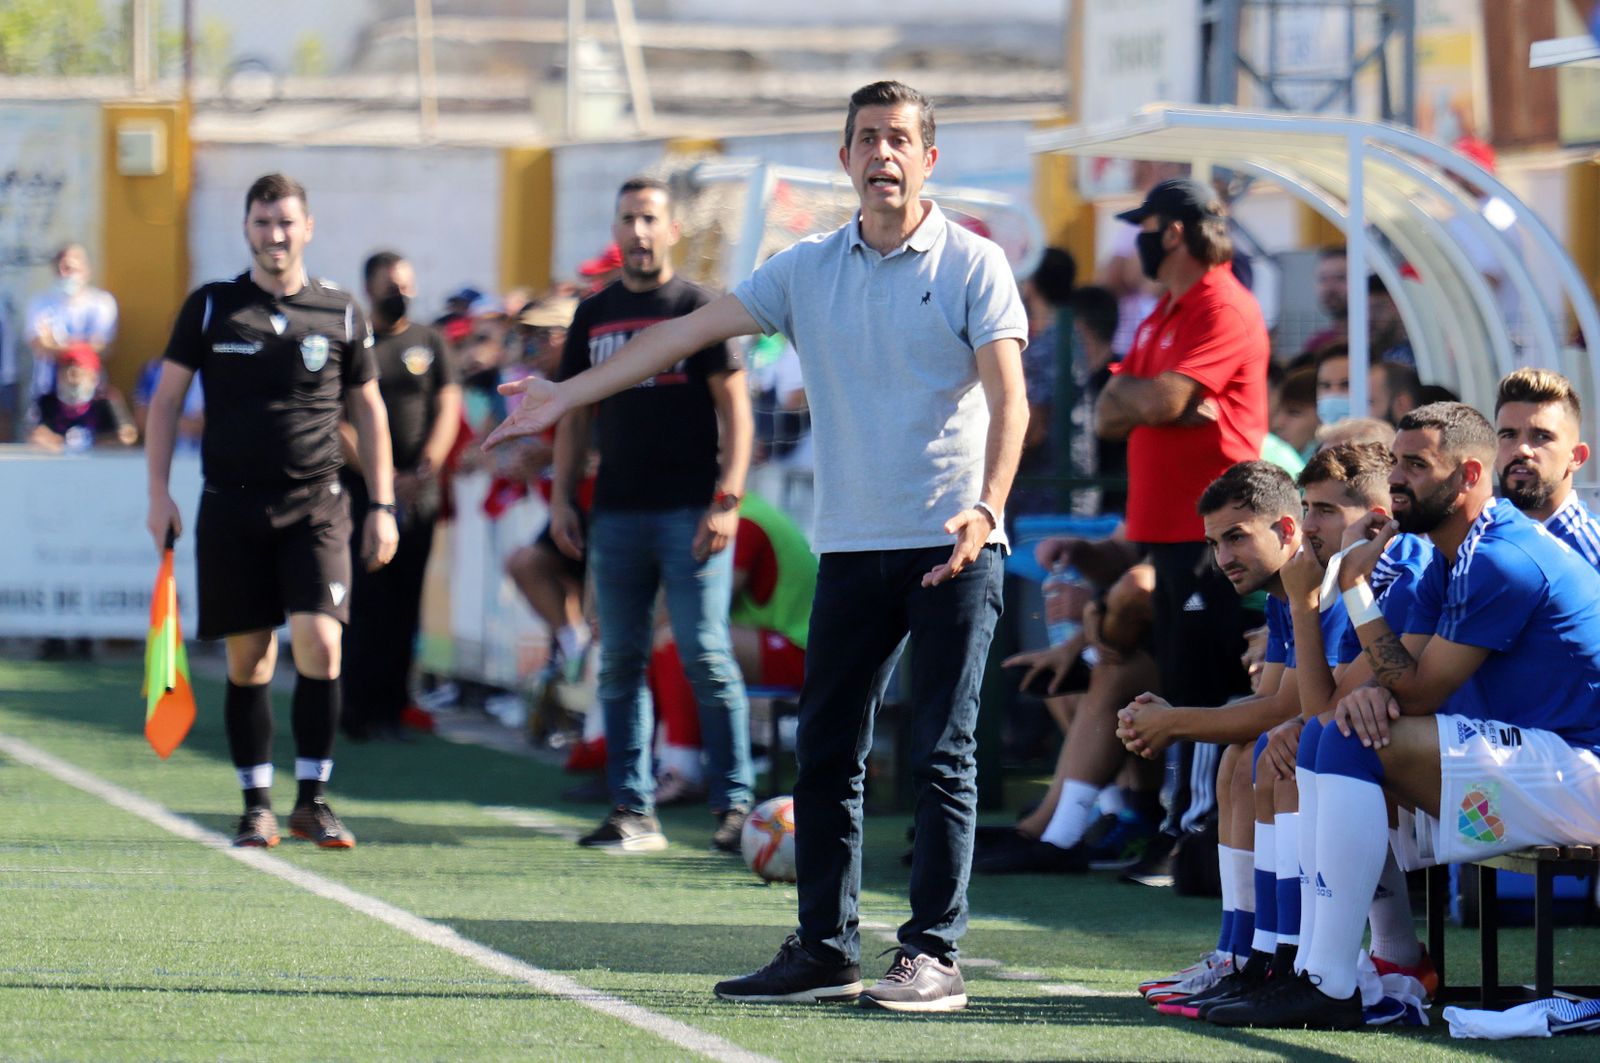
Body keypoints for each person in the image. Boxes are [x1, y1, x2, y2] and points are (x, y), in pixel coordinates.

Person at [486, 80, 1028, 1012]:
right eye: (867, 138)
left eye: (900, 138)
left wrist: (988, 506)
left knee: (942, 750)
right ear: (844, 159)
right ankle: (825, 948)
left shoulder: (976, 263)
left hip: (954, 544)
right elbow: (682, 334)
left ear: (928, 159)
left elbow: (1012, 400)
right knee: (825, 752)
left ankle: (933, 953)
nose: (883, 153)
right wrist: (567, 394)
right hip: (852, 545)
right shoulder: (805, 268)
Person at [1213, 402, 1600, 1029]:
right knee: (1328, 736)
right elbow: (1370, 692)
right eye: (1396, 462)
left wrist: (1354, 591)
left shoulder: (1501, 555)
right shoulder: (1452, 556)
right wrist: (1364, 677)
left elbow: (1414, 693)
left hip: (1583, 772)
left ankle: (1332, 982)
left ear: (1468, 475)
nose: (1396, 479)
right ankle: (1310, 970)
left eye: (1417, 465)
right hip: (1540, 760)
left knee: (1345, 741)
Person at [144, 172, 399, 851]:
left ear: (307, 227)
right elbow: (165, 401)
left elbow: (369, 410)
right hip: (232, 507)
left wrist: (383, 504)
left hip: (318, 505)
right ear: (246, 229)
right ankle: (256, 804)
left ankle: (312, 800)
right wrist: (157, 492)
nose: (275, 234)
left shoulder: (341, 311)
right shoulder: (211, 307)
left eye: (286, 222)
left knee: (321, 640)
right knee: (251, 659)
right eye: (263, 222)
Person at [545, 175, 755, 856]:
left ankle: (736, 805)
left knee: (706, 655)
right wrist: (562, 497)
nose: (638, 231)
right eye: (628, 219)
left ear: (672, 230)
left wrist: (728, 499)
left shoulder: (700, 307)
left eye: (649, 219)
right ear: (615, 230)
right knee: (619, 662)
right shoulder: (593, 314)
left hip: (691, 512)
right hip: (616, 515)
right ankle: (632, 807)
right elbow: (574, 414)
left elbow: (737, 412)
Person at [1093, 176, 1270, 884]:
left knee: (1200, 686)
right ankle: (1179, 831)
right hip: (1168, 533)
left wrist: (1155, 399)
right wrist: (1150, 400)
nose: (1137, 238)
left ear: (1173, 231)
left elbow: (1159, 398)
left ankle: (1197, 839)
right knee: (1179, 675)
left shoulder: (1222, 304)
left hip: (1213, 535)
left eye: (1145, 226)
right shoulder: (1163, 311)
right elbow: (1111, 407)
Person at [339, 251, 460, 741]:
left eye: (407, 285)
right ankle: (356, 709)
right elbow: (338, 421)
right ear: (369, 288)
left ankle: (394, 708)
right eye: (392, 285)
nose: (401, 293)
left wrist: (429, 462)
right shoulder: (353, 341)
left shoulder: (430, 341)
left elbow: (448, 404)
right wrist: (381, 475)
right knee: (366, 602)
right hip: (363, 495)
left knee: (406, 604)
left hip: (418, 495)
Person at [1493, 368, 1600, 567]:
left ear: (1577, 457)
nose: (1522, 450)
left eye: (1541, 436)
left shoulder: (1592, 553)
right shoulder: (1476, 542)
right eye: (1508, 435)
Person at [1010, 247, 1075, 517]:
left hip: (1045, 501)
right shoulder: (1070, 336)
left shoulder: (1048, 344)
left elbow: (1033, 427)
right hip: (1065, 494)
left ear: (1032, 284)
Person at [25, 243, 118, 401]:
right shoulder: (40, 304)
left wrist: (54, 345)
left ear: (86, 269)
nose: (64, 274)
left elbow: (103, 347)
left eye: (70, 268)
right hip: (47, 391)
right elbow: (39, 346)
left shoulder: (102, 303)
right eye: (60, 268)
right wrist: (83, 347)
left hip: (92, 391)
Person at [27, 344, 136, 451]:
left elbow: (127, 436)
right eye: (65, 370)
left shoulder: (106, 402)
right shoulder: (46, 402)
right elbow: (33, 434)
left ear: (94, 376)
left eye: (78, 373)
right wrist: (59, 444)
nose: (71, 378)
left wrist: (91, 443)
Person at [1296, 247, 1347, 358]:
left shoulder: (1375, 339)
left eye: (1341, 278)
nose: (1330, 287)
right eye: (1323, 279)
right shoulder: (1318, 345)